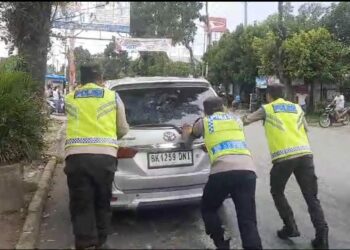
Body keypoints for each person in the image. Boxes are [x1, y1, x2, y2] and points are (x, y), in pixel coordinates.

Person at [242, 83, 328, 249]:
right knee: (311, 198)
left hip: (284, 158)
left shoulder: (267, 109)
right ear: (284, 94)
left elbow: (246, 120)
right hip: (305, 155)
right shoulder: (296, 108)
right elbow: (306, 129)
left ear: (269, 95)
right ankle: (322, 237)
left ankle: (290, 227)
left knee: (277, 191)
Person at [182, 96, 262, 250]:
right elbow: (223, 137)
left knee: (208, 208)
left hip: (221, 172)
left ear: (206, 112)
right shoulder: (236, 119)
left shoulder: (204, 122)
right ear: (223, 107)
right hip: (247, 171)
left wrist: (186, 132)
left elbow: (187, 143)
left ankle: (221, 242)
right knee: (248, 219)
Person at [64, 64, 129, 249]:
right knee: (102, 200)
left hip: (76, 157)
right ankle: (101, 241)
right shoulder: (112, 96)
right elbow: (123, 128)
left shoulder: (69, 98)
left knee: (81, 201)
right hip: (105, 157)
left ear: (80, 80)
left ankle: (84, 242)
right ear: (100, 78)